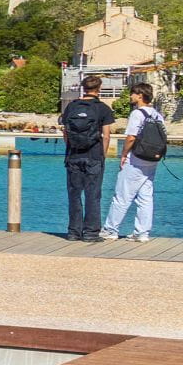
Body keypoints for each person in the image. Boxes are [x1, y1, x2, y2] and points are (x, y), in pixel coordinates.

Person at [104, 82, 164, 240]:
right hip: (152, 160)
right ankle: (142, 233)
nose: (131, 96)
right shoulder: (157, 115)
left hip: (136, 159)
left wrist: (124, 154)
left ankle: (110, 229)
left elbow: (131, 137)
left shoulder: (137, 114)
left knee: (122, 196)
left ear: (140, 96)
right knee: (145, 197)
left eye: (133, 93)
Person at [59, 74, 115, 240]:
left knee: (74, 194)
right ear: (99, 89)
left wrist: (71, 147)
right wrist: (102, 155)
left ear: (83, 88)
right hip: (94, 156)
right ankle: (91, 232)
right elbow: (106, 136)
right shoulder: (103, 109)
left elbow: (65, 132)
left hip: (73, 155)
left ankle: (73, 232)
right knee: (93, 194)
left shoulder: (71, 107)